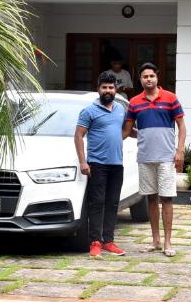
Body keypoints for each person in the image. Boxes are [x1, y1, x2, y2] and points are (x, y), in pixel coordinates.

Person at [123, 62, 185, 257]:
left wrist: (180, 151)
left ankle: (168, 242)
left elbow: (182, 126)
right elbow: (127, 131)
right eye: (144, 77)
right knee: (151, 198)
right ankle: (155, 241)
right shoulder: (134, 102)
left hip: (167, 157)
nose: (148, 79)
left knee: (166, 198)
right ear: (140, 80)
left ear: (157, 77)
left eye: (151, 76)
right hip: (145, 157)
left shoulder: (170, 98)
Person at [74, 71, 129, 258]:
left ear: (115, 90)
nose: (107, 90)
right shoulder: (89, 111)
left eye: (111, 87)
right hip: (97, 164)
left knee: (112, 203)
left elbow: (127, 131)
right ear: (98, 89)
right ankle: (95, 242)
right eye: (104, 87)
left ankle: (108, 241)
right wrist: (83, 162)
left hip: (117, 164)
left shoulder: (121, 110)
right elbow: (79, 135)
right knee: (97, 203)